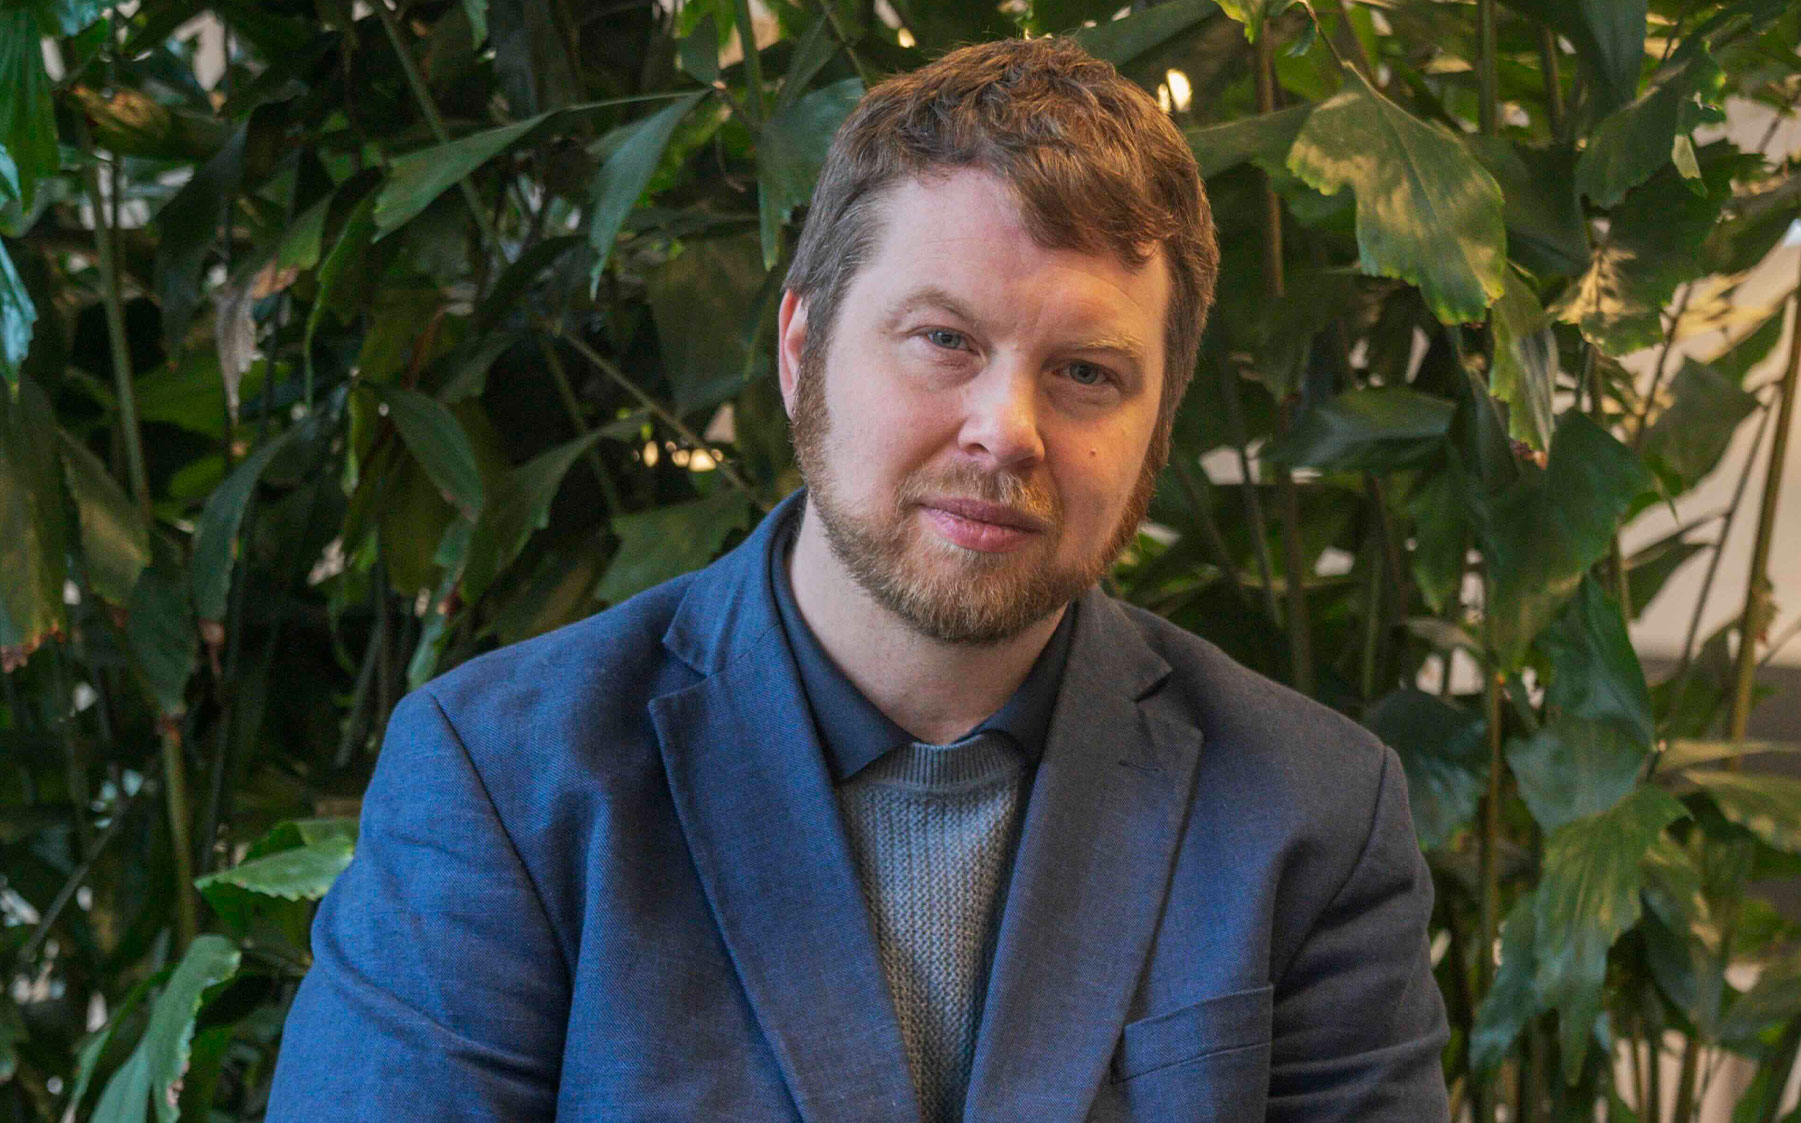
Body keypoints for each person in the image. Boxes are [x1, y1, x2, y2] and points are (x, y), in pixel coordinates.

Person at [265, 34, 1448, 1123]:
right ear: (801, 351)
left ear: (1159, 423)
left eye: (1086, 371)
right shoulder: (505, 777)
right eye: (944, 340)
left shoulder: (1311, 812)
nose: (1007, 430)